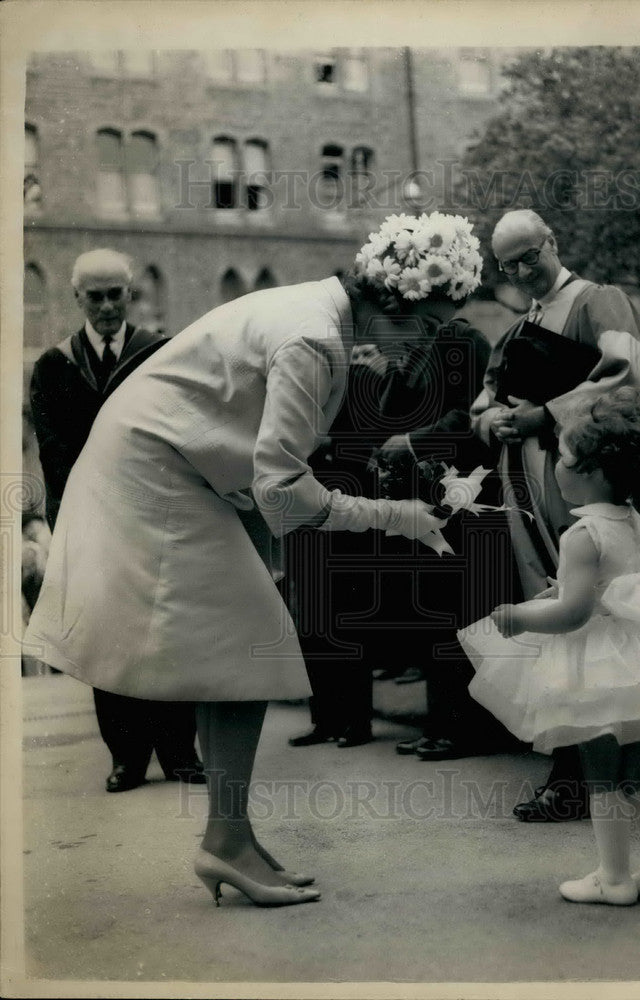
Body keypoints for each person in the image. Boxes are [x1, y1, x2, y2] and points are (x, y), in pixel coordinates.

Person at [25, 212, 483, 908]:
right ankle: (226, 841)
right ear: (393, 302)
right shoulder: (313, 336)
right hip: (152, 475)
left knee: (236, 650)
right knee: (249, 645)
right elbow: (280, 490)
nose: (422, 349)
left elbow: (266, 464)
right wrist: (396, 517)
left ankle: (229, 837)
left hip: (168, 470)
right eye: (424, 329)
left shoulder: (319, 316)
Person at [460, 387, 640, 905]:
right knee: (639, 774)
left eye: (564, 456)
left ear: (590, 472)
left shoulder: (581, 534)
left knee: (602, 779)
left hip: (596, 667)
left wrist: (519, 615)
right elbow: (615, 587)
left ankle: (614, 878)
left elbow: (574, 613)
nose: (556, 465)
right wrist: (565, 589)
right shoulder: (635, 520)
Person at [472, 208, 640, 822]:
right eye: (508, 264)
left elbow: (629, 379)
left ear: (553, 243)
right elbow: (485, 401)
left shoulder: (601, 302)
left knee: (596, 621)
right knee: (559, 619)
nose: (521, 271)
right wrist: (493, 419)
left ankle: (600, 774)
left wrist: (546, 416)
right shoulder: (516, 331)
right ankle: (584, 767)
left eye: (529, 256)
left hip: (585, 491)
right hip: (528, 495)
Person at [28, 249, 205, 793]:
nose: (106, 307)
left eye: (115, 294)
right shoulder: (55, 366)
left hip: (156, 516)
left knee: (165, 633)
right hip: (95, 523)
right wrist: (76, 517)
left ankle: (179, 752)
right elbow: (53, 452)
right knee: (110, 638)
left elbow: (181, 432)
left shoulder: (160, 354)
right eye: (95, 296)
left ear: (131, 295)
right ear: (77, 298)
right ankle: (126, 756)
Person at [287, 315, 504, 756]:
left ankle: (454, 727)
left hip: (430, 498)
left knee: (447, 613)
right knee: (426, 615)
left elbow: (457, 419)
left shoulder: (460, 340)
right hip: (378, 501)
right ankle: (436, 723)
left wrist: (399, 441)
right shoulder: (414, 355)